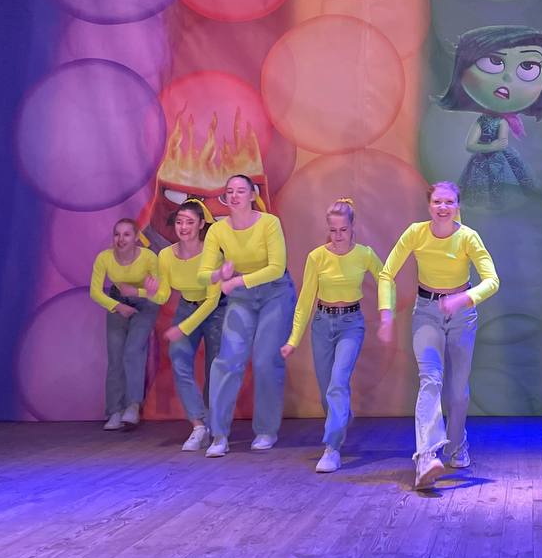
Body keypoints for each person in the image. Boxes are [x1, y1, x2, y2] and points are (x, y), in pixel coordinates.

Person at [377, 183, 499, 490]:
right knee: (430, 379)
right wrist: (386, 314)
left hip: (462, 315)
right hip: (427, 312)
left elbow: (492, 280)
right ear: (429, 205)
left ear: (457, 206)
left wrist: (463, 299)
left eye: (449, 202)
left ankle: (457, 445)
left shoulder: (468, 237)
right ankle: (427, 456)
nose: (443, 207)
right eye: (437, 202)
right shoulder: (416, 233)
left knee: (457, 392)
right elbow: (386, 274)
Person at [283, 198, 383, 474]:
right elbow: (305, 300)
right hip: (322, 324)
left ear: (352, 227)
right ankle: (341, 417)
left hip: (351, 324)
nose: (338, 236)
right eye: (333, 230)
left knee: (338, 381)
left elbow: (386, 279)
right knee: (327, 389)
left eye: (343, 230)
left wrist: (386, 312)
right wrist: (293, 340)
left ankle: (332, 448)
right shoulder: (317, 257)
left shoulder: (364, 254)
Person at [198, 174, 295, 458]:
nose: (235, 196)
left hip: (275, 294)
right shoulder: (218, 230)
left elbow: (276, 267)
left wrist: (236, 281)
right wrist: (220, 274)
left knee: (265, 360)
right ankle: (219, 435)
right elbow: (204, 275)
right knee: (228, 359)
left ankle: (266, 430)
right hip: (241, 297)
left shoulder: (269, 223)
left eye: (241, 191)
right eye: (230, 191)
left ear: (253, 195)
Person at [437, 25, 542, 207]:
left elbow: (502, 142)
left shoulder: (503, 122)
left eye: (528, 66)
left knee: (507, 193)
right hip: (481, 164)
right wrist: (489, 146)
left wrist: (491, 146)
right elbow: (470, 144)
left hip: (500, 162)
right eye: (493, 61)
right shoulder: (483, 121)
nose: (508, 78)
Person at [146, 200, 224, 451]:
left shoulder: (213, 255)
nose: (183, 227)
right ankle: (199, 425)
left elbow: (212, 301)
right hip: (187, 306)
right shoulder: (166, 255)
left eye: (190, 222)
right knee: (178, 357)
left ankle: (214, 424)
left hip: (216, 309)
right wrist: (151, 292)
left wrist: (184, 328)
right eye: (180, 222)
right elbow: (163, 295)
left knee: (215, 368)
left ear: (201, 225)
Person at [88, 218, 161, 430]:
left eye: (127, 234)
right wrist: (118, 307)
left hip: (144, 303)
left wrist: (143, 291)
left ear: (136, 237)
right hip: (117, 302)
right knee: (115, 356)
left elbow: (159, 291)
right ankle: (114, 411)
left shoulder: (148, 257)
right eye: (117, 234)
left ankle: (133, 406)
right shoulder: (104, 258)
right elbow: (95, 292)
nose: (121, 239)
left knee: (133, 351)